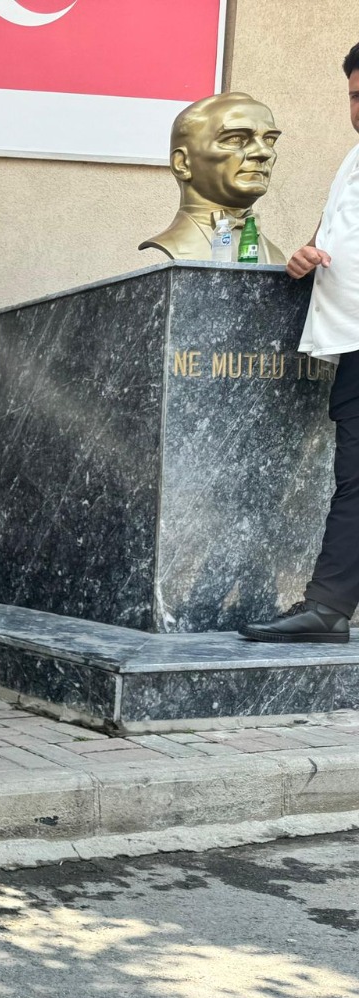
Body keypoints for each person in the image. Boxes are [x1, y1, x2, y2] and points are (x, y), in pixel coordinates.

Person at [242, 46, 359, 644]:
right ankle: (329, 606)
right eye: (354, 96)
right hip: (349, 341)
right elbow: (330, 233)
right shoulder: (353, 159)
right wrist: (303, 254)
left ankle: (328, 607)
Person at [139, 92, 284, 264]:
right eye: (236, 139)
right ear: (182, 164)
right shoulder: (176, 245)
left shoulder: (276, 257)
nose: (264, 152)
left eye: (269, 140)